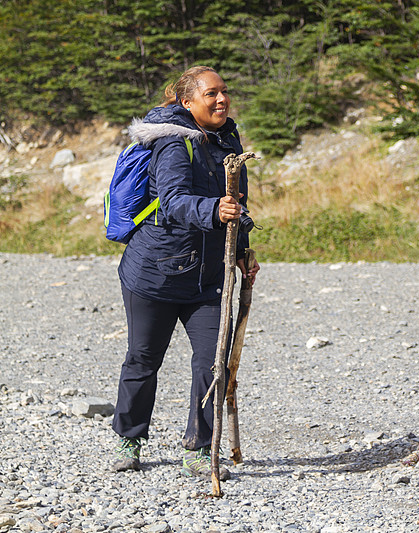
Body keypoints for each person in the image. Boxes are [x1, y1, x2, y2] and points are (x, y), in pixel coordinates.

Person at [111, 66, 259, 479]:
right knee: (143, 358)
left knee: (213, 361)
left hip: (208, 275)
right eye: (211, 94)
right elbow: (174, 201)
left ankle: (199, 446)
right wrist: (213, 210)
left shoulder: (227, 138)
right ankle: (129, 438)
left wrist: (242, 251)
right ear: (187, 102)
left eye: (224, 91)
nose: (222, 99)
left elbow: (235, 204)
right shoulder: (173, 142)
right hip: (154, 272)